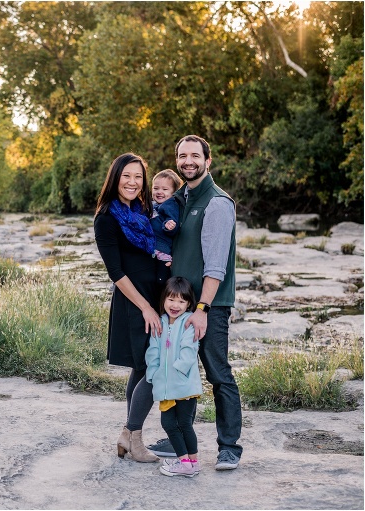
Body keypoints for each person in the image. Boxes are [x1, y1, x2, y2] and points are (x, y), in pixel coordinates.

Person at [146, 135, 243, 471]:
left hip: (207, 306)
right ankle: (179, 440)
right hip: (178, 304)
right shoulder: (179, 200)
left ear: (208, 161)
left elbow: (216, 265)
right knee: (178, 373)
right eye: (182, 155)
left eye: (195, 156)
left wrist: (201, 309)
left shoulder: (217, 203)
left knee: (218, 374)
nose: (188, 161)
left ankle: (229, 447)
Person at [94, 153, 162, 463]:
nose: (133, 182)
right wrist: (146, 307)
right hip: (133, 301)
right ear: (115, 178)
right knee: (151, 366)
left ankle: (130, 435)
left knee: (142, 366)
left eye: (138, 177)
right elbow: (116, 273)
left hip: (153, 297)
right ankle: (132, 436)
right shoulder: (107, 218)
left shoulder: (143, 211)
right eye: (127, 176)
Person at [145, 276, 202, 478]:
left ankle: (189, 463)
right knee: (169, 423)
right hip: (166, 385)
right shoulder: (159, 322)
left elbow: (189, 349)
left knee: (184, 424)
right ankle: (187, 462)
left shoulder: (188, 322)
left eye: (181, 301)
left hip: (184, 384)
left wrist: (178, 369)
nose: (175, 305)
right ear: (164, 300)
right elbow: (153, 350)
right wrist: (153, 373)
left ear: (188, 304)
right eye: (171, 299)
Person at [150, 169, 183, 286]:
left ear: (174, 192)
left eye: (165, 189)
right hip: (152, 248)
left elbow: (172, 220)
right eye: (156, 188)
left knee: (161, 282)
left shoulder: (170, 205)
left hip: (163, 251)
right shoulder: (152, 204)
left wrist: (169, 225)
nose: (159, 192)